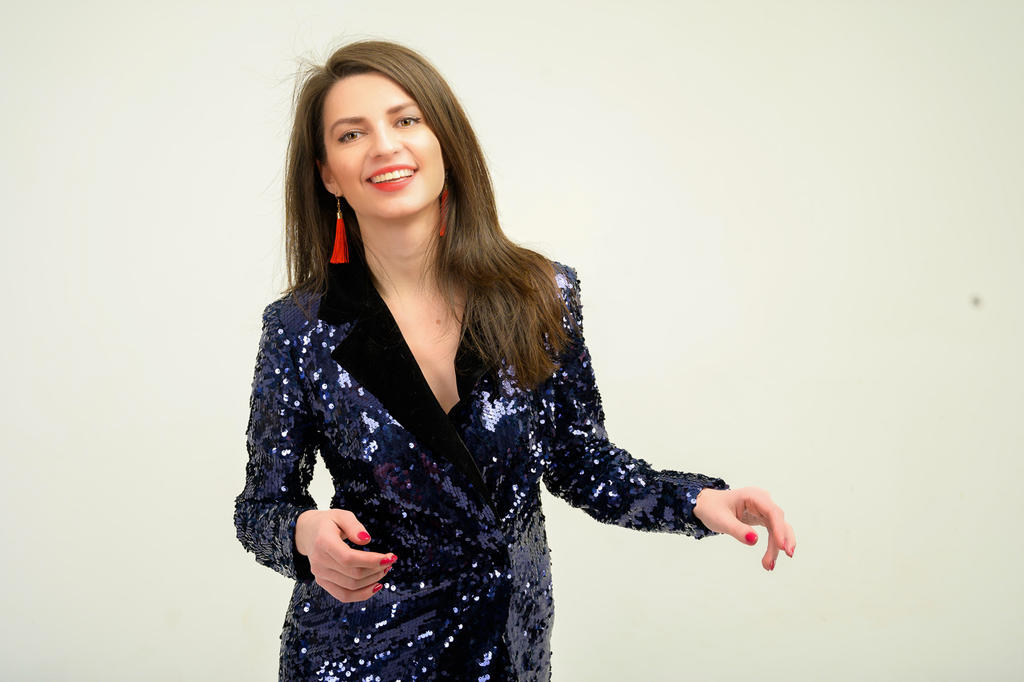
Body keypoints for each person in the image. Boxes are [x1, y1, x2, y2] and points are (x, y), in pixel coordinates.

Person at [233, 39, 796, 681]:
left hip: (508, 647)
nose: (384, 146)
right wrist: (304, 535)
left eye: (406, 119)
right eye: (351, 134)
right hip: (357, 653)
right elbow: (261, 508)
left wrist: (696, 501)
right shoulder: (299, 328)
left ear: (445, 140)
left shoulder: (538, 295)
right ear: (328, 174)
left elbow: (578, 460)